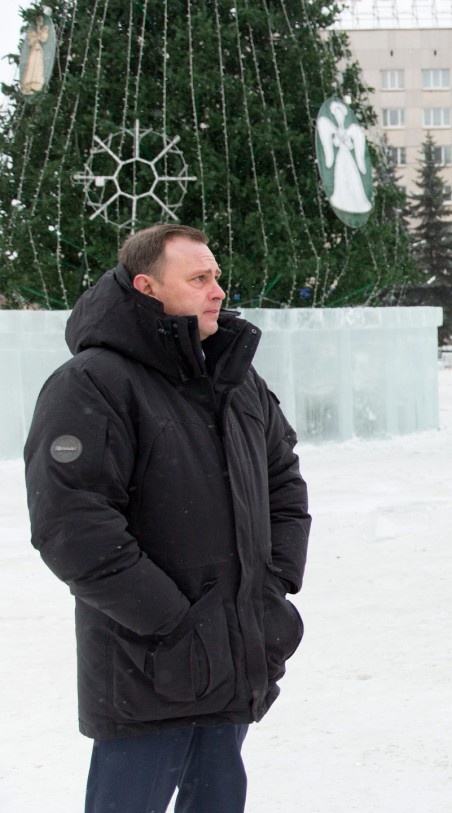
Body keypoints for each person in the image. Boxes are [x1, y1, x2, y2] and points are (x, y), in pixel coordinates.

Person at [24, 224, 311, 813]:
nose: (218, 291)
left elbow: (282, 481)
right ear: (147, 287)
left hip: (233, 654)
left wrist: (271, 583)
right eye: (199, 278)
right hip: (146, 667)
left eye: (218, 277)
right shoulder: (92, 383)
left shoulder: (235, 378)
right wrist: (174, 623)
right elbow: (71, 524)